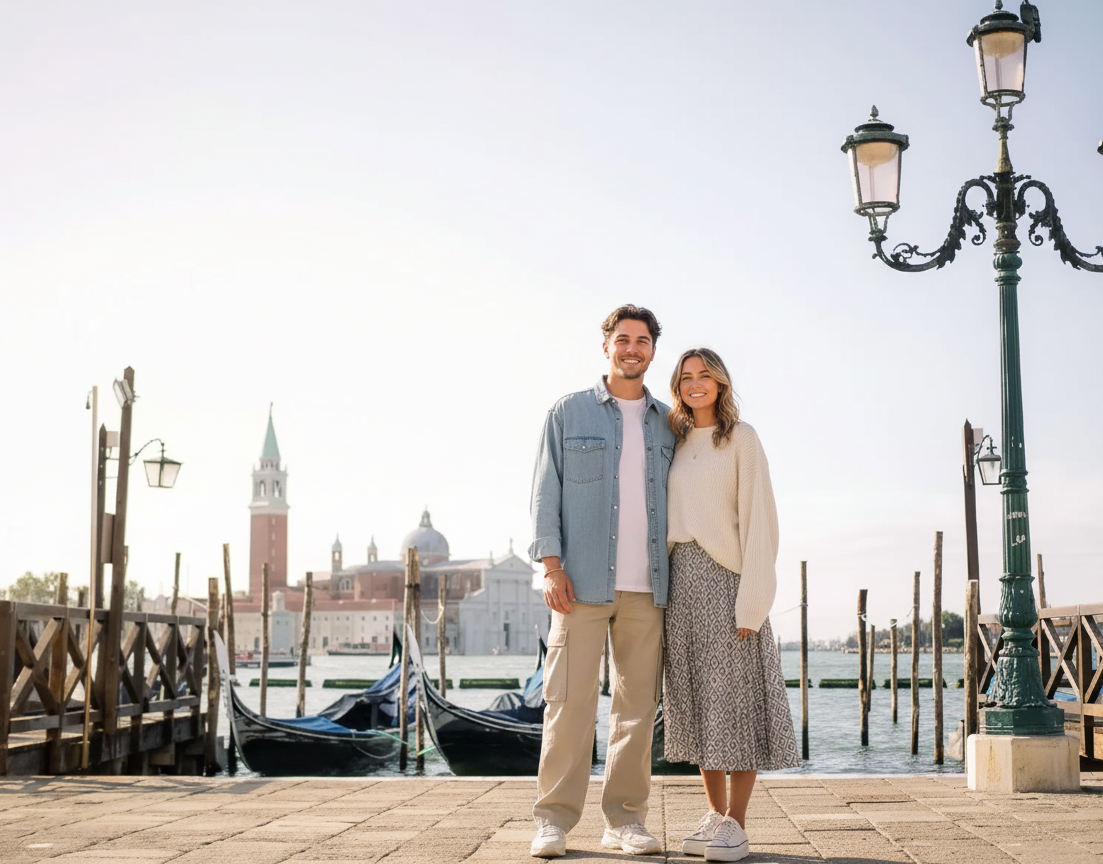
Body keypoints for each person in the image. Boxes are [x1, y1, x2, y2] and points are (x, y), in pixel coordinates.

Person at [528, 304, 676, 858]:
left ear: (653, 351)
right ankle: (554, 823)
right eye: (622, 339)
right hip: (578, 585)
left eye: (642, 340)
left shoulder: (670, 421)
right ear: (606, 346)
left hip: (649, 589)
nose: (632, 348)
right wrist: (551, 567)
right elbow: (545, 494)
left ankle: (625, 822)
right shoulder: (567, 413)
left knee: (636, 710)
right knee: (566, 704)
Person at [663, 348, 800, 863]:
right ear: (677, 386)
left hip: (729, 581)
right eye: (686, 377)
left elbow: (761, 521)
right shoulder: (673, 443)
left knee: (736, 705)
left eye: (705, 376)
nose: (695, 384)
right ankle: (714, 816)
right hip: (682, 584)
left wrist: (753, 603)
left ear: (720, 383)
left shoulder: (742, 438)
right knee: (699, 705)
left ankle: (737, 825)